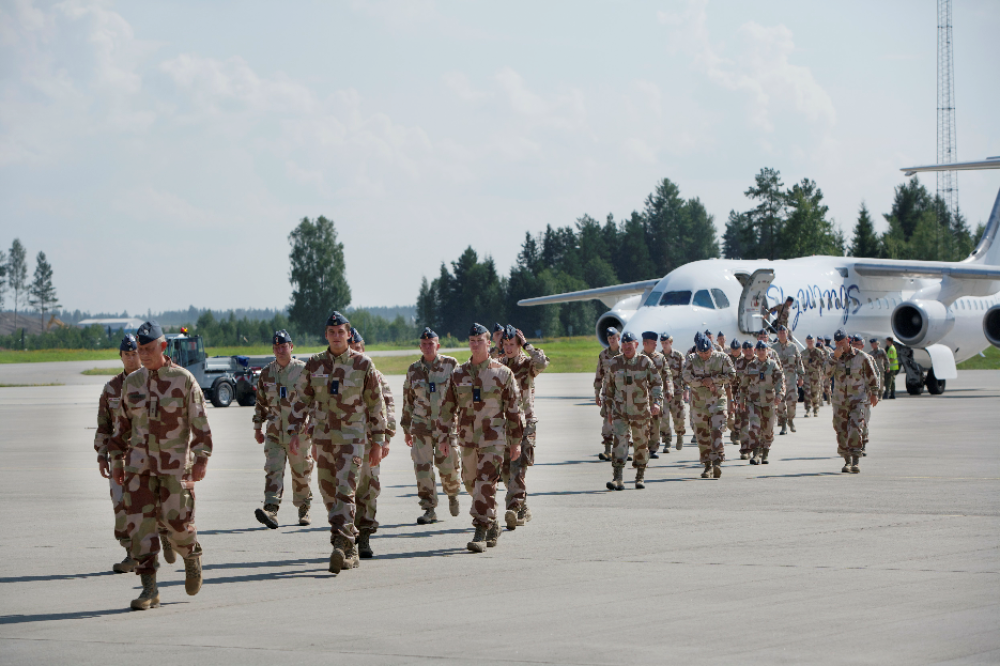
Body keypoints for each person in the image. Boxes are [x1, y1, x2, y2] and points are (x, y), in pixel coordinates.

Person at [107, 321, 213, 611]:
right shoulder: (132, 383)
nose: (144, 355)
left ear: (163, 347)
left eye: (149, 349)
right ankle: (149, 588)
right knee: (140, 528)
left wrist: (201, 458)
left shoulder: (183, 380)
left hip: (175, 467)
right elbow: (120, 428)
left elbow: (200, 423)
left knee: (178, 524)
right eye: (140, 350)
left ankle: (191, 556)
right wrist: (116, 460)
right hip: (138, 469)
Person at [288, 312, 388, 574]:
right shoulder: (315, 364)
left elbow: (377, 404)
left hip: (353, 441)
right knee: (329, 492)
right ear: (326, 335)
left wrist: (378, 441)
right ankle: (344, 543)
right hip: (323, 439)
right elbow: (301, 400)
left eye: (340, 332)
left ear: (348, 334)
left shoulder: (363, 365)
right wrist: (294, 433)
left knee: (345, 491)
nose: (336, 336)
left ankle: (344, 546)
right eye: (331, 332)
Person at [437, 323, 523, 553]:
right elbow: (447, 408)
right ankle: (492, 522)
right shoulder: (458, 374)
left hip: (493, 440)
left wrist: (515, 442)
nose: (475, 345)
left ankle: (480, 530)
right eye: (472, 341)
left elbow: (514, 410)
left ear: (489, 343)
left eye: (480, 341)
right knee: (471, 484)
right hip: (467, 440)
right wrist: (444, 437)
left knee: (486, 483)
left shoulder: (502, 373)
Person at [252, 330, 314, 530]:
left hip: (298, 434)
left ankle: (304, 507)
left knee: (301, 472)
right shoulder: (267, 373)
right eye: (276, 347)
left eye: (283, 346)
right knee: (273, 470)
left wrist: (314, 425)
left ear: (291, 347)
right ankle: (271, 509)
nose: (280, 350)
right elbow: (261, 402)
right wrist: (257, 427)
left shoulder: (304, 371)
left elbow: (313, 401)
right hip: (273, 432)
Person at [401, 327, 462, 525]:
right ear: (420, 346)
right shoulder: (413, 369)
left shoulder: (451, 365)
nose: (428, 347)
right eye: (424, 344)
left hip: (445, 427)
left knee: (448, 467)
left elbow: (461, 396)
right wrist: (406, 428)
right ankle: (429, 509)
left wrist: (461, 421)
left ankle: (452, 494)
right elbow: (408, 400)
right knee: (422, 469)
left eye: (431, 343)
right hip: (420, 426)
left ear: (438, 345)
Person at [94, 334, 144, 573]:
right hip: (120, 457)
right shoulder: (111, 388)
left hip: (149, 455)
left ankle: (156, 546)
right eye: (127, 355)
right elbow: (103, 424)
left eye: (135, 354)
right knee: (121, 505)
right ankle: (131, 554)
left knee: (152, 506)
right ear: (121, 356)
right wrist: (101, 455)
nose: (132, 359)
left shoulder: (153, 382)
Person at [347, 328, 396, 559]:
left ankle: (364, 535)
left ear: (363, 349)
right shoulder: (340, 375)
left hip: (369, 443)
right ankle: (347, 535)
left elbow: (389, 408)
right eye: (351, 349)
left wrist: (386, 438)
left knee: (368, 489)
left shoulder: (375, 376)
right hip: (345, 442)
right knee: (345, 490)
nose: (355, 353)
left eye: (358, 349)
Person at [499, 326, 550, 529]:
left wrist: (527, 344)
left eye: (512, 344)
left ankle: (513, 508)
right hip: (502, 424)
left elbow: (543, 362)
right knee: (505, 471)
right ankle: (522, 504)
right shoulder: (499, 365)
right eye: (506, 344)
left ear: (519, 345)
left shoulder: (528, 365)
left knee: (517, 468)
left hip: (525, 423)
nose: (509, 348)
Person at [602, 332, 663, 490]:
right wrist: (608, 412)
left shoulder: (644, 362)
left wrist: (656, 403)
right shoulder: (614, 363)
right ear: (621, 345)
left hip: (640, 411)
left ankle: (640, 476)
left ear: (636, 344)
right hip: (620, 412)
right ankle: (618, 478)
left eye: (630, 344)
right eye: (624, 344)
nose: (627, 347)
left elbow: (657, 383)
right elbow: (607, 389)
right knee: (620, 443)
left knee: (641, 443)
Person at [825, 329, 880, 474]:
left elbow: (871, 375)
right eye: (837, 343)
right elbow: (826, 374)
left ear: (847, 340)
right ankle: (846, 460)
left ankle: (855, 460)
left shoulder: (861, 357)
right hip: (839, 401)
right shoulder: (833, 357)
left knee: (855, 428)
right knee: (841, 431)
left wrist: (874, 393)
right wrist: (834, 358)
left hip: (857, 400)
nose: (839, 345)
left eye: (842, 342)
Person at [682, 333, 736, 479]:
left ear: (711, 349)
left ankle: (717, 461)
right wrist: (702, 382)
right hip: (699, 404)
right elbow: (686, 377)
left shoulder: (722, 358)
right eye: (701, 353)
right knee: (702, 435)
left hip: (717, 402)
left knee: (716, 430)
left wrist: (713, 380)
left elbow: (732, 375)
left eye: (706, 352)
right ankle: (707, 465)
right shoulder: (692, 359)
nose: (704, 355)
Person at [741, 341, 785, 465]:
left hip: (769, 402)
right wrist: (741, 400)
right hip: (753, 402)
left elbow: (780, 382)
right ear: (756, 350)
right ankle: (756, 454)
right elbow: (743, 385)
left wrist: (779, 395)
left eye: (763, 350)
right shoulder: (751, 366)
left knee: (768, 429)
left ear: (767, 350)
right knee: (754, 428)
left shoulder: (773, 365)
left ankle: (765, 453)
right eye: (759, 350)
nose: (761, 352)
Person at [640, 331, 672, 460]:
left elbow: (667, 374)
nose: (655, 345)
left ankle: (653, 448)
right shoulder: (638, 358)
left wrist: (669, 389)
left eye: (655, 343)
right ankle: (642, 446)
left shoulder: (660, 358)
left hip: (656, 396)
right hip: (640, 396)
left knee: (655, 422)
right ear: (645, 343)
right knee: (641, 422)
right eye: (653, 343)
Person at [594, 327, 621, 461]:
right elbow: (599, 374)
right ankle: (607, 450)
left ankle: (622, 450)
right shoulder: (603, 355)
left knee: (623, 422)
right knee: (607, 422)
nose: (611, 340)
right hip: (608, 394)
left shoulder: (626, 353)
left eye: (614, 338)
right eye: (609, 338)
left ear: (618, 338)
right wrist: (596, 393)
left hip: (623, 395)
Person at [771, 325, 804, 435]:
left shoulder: (793, 347)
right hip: (779, 382)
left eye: (784, 332)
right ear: (777, 334)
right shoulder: (773, 348)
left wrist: (801, 376)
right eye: (780, 332)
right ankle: (783, 424)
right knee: (780, 404)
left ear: (787, 333)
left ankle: (790, 419)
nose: (782, 334)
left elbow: (799, 362)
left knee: (792, 402)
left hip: (791, 380)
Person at [659, 333, 687, 451]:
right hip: (663, 393)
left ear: (671, 343)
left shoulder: (678, 356)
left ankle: (680, 435)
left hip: (677, 392)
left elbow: (685, 374)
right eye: (663, 343)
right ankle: (667, 441)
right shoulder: (658, 357)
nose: (664, 345)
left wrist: (686, 389)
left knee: (679, 418)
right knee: (663, 418)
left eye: (666, 343)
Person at [736, 341, 755, 459]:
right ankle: (745, 450)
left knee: (758, 426)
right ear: (742, 350)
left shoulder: (761, 361)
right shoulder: (738, 363)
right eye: (745, 349)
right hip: (743, 398)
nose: (748, 352)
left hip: (759, 398)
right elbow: (733, 383)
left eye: (750, 349)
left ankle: (758, 450)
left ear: (754, 349)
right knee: (744, 425)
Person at [801, 335, 826, 418]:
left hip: (816, 375)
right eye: (808, 341)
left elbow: (824, 364)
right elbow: (800, 365)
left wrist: (824, 374)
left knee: (815, 393)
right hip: (807, 375)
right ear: (806, 341)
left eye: (811, 341)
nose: (810, 342)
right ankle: (808, 410)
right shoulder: (803, 353)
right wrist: (800, 376)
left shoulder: (818, 352)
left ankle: (815, 409)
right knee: (807, 393)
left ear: (814, 341)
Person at [726, 339, 741, 444]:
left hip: (741, 390)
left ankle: (736, 433)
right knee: (730, 415)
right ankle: (733, 429)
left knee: (740, 414)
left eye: (737, 349)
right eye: (733, 349)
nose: (735, 351)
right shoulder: (727, 359)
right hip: (730, 390)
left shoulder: (745, 359)